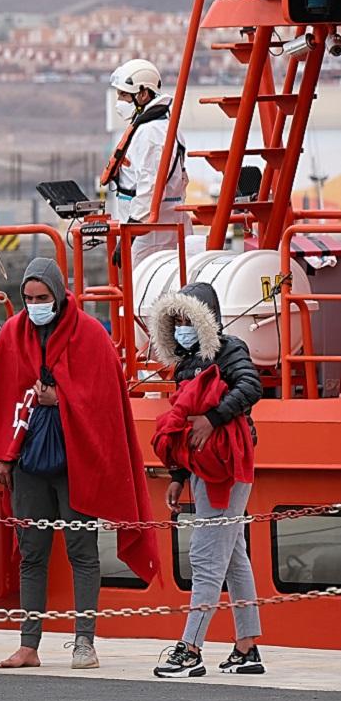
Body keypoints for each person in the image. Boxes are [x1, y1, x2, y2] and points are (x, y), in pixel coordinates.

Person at [0, 257, 160, 670]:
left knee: (82, 552)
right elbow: (0, 396)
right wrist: (0, 455)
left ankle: (84, 642)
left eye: (42, 297)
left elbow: (108, 402)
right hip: (29, 465)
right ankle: (29, 645)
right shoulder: (12, 334)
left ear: (58, 294)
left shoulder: (91, 336)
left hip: (78, 463)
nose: (35, 305)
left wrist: (62, 400)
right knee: (32, 553)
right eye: (28, 298)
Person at [149, 282, 264, 678]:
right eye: (176, 321)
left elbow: (252, 385)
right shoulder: (184, 364)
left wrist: (213, 418)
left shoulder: (230, 349)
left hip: (227, 467)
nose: (182, 328)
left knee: (205, 557)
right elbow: (184, 428)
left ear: (205, 318)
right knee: (233, 558)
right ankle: (247, 649)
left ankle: (191, 650)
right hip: (204, 467)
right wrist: (178, 476)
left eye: (188, 319)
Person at [102, 58, 192, 262]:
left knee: (141, 286)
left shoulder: (151, 133)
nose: (120, 101)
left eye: (124, 95)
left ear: (143, 94)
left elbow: (149, 185)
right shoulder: (160, 127)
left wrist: (131, 233)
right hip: (151, 227)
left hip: (149, 233)